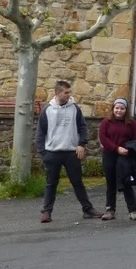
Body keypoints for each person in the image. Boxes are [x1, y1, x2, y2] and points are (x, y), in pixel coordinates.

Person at [35, 80, 101, 223]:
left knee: (77, 182)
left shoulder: (74, 108)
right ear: (57, 93)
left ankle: (87, 209)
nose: (69, 95)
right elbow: (40, 132)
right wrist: (43, 153)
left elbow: (82, 127)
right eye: (66, 92)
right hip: (52, 153)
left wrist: (81, 144)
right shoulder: (47, 110)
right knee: (51, 184)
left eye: (69, 92)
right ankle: (46, 212)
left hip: (71, 152)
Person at [98, 98, 136, 221]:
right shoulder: (106, 122)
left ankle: (132, 210)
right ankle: (110, 210)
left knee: (126, 181)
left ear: (126, 110)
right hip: (110, 154)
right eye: (117, 108)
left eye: (122, 108)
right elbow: (103, 138)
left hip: (125, 156)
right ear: (113, 109)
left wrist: (128, 149)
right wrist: (116, 148)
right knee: (110, 182)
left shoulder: (132, 123)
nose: (119, 111)